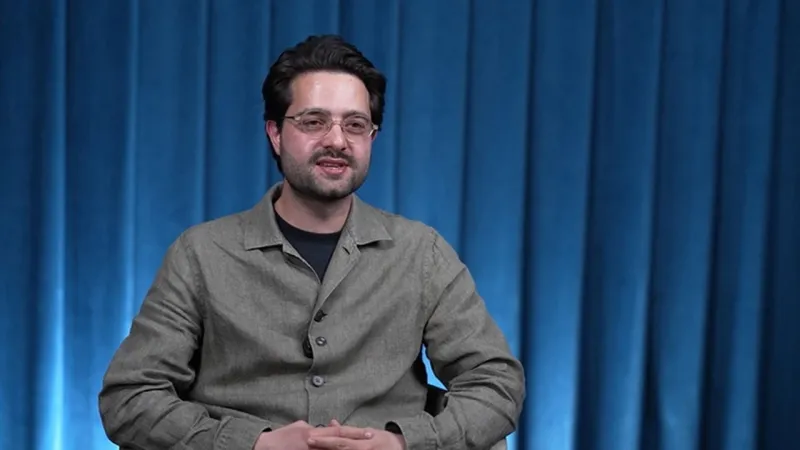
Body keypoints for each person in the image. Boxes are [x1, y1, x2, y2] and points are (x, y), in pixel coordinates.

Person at [98, 34, 525, 450]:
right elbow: (130, 398)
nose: (337, 141)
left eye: (355, 125)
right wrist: (254, 444)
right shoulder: (201, 253)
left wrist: (403, 443)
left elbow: (496, 383)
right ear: (275, 133)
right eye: (314, 122)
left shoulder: (421, 252)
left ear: (372, 138)